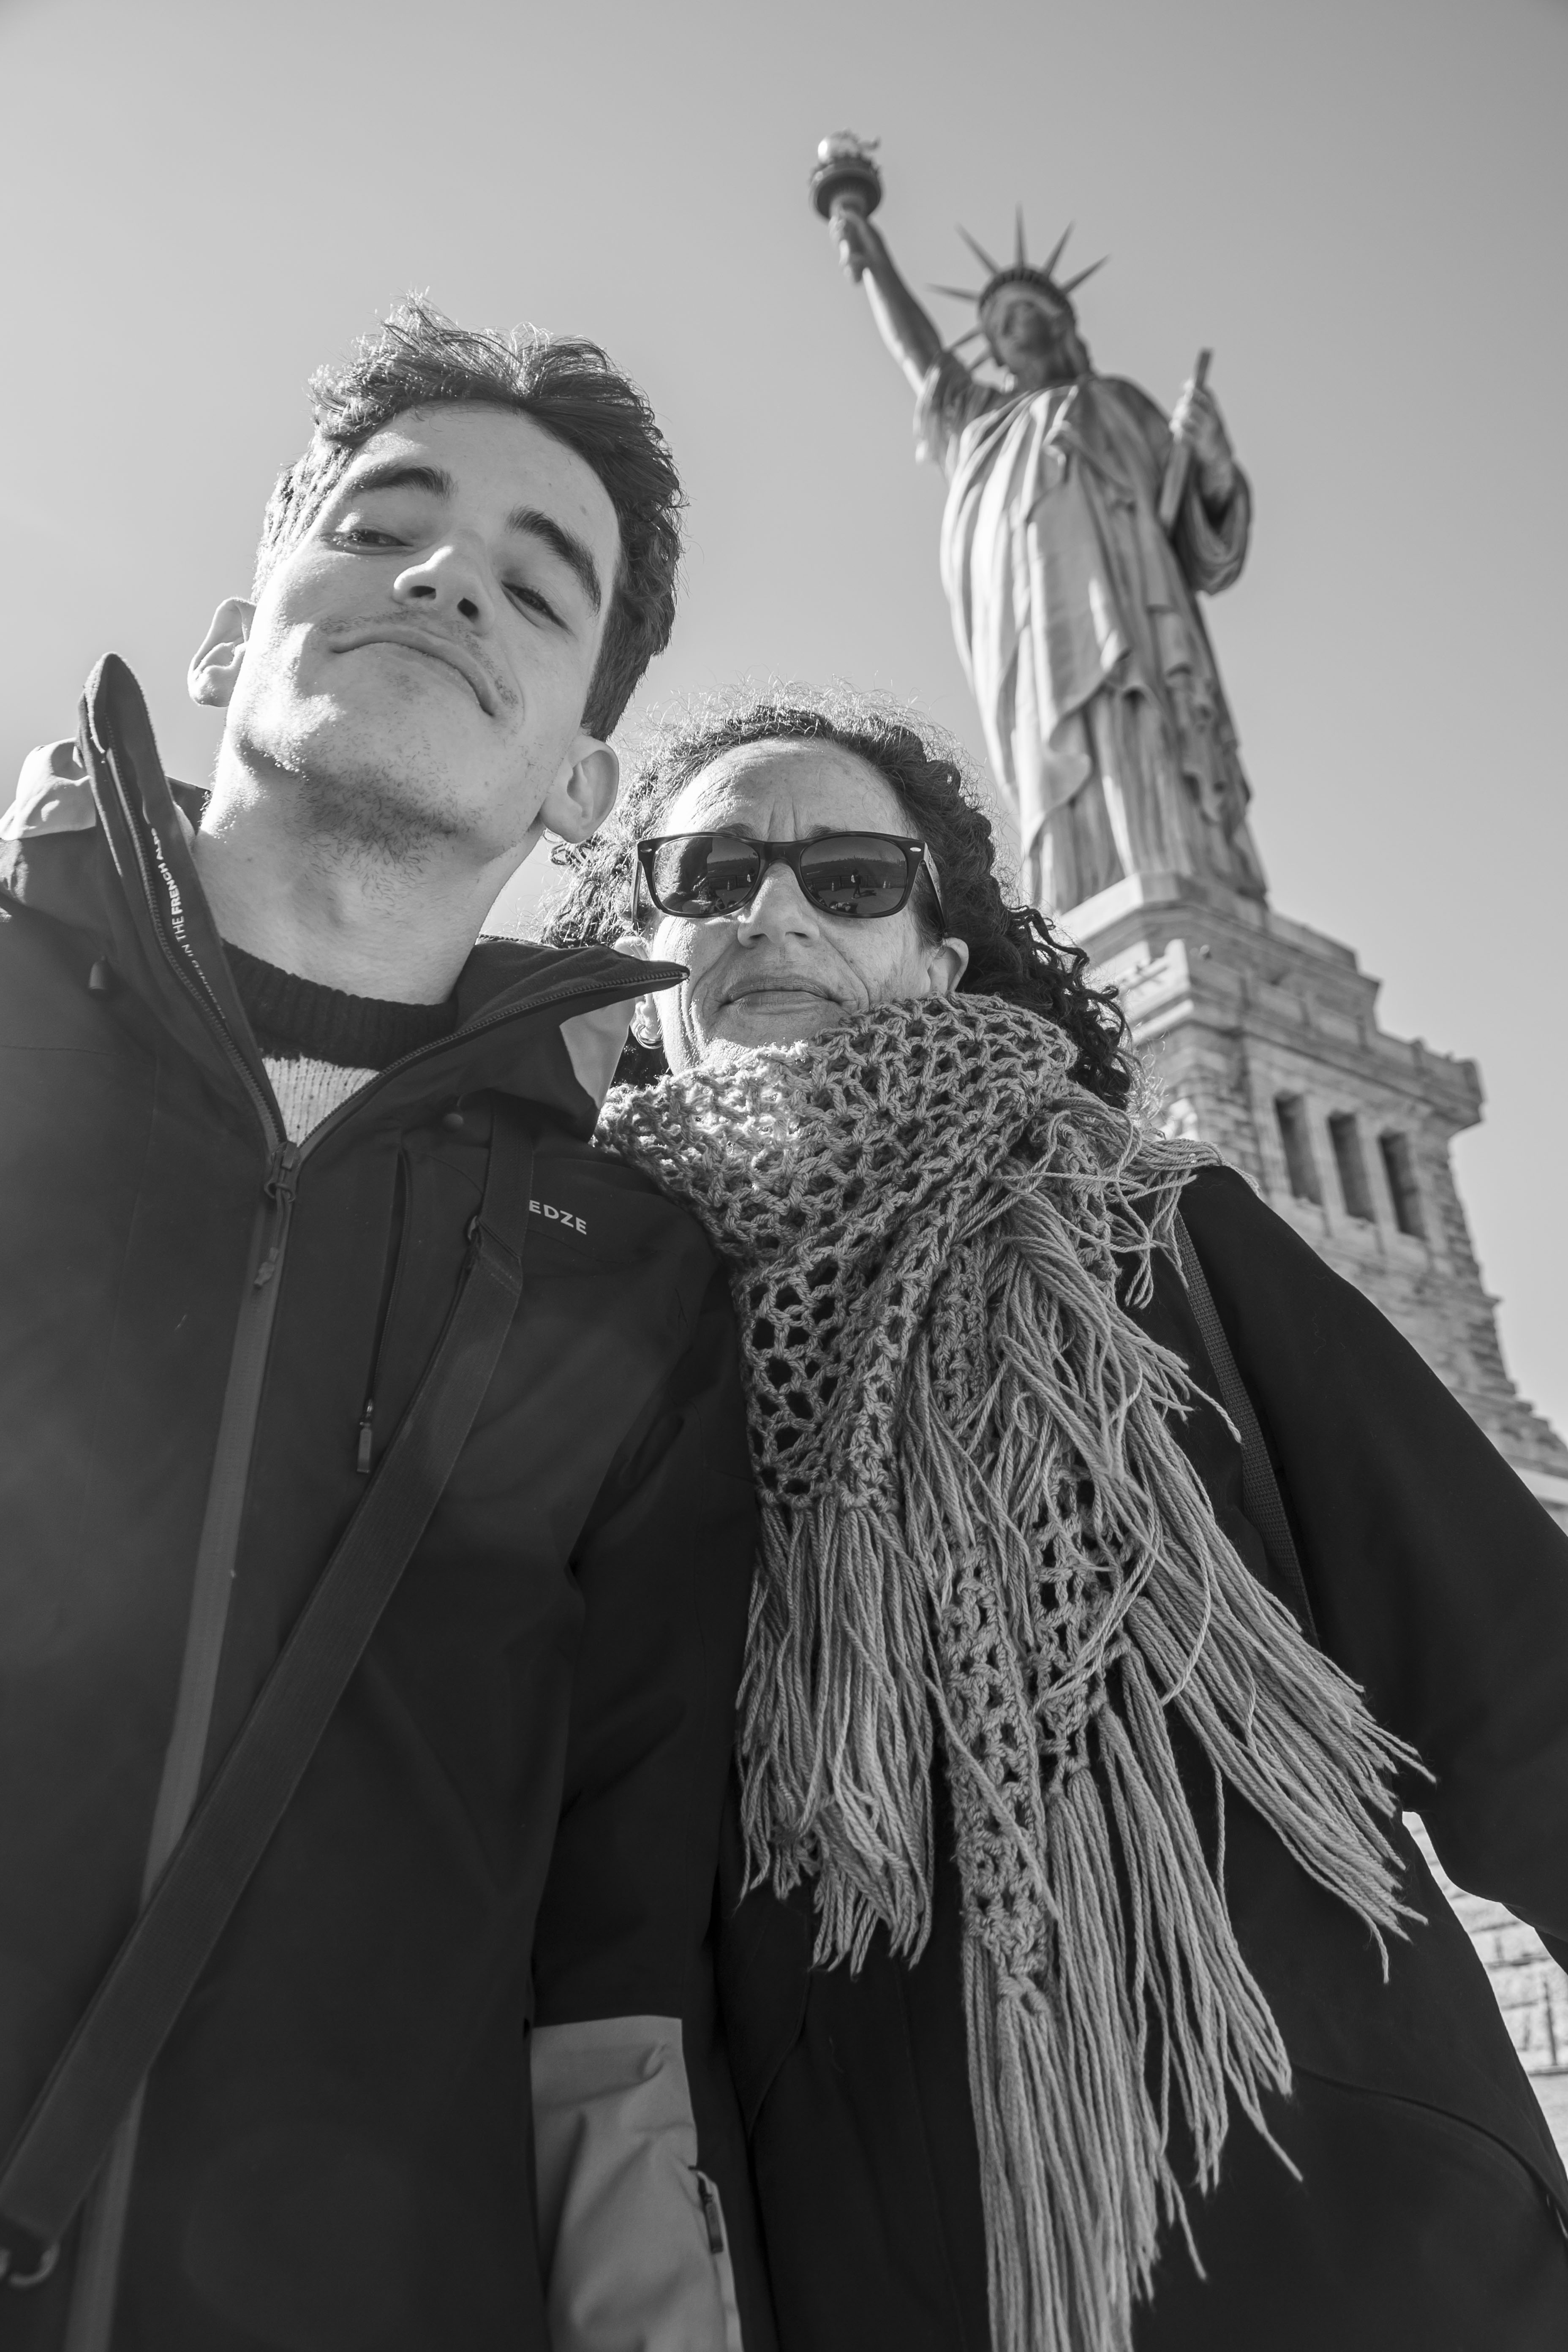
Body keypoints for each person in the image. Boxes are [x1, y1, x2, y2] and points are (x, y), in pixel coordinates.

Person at [545, 686, 1568, 2352]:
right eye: (710, 871)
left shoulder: (1156, 1244)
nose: (775, 911)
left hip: (1354, 2258)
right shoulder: (572, 1358)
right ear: (643, 973)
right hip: (866, 2287)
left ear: (938, 957)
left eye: (852, 876)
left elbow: (1527, 1694)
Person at [0, 300, 766, 2352]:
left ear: (588, 770)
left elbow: (617, 1977)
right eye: (387, 523)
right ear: (230, 624)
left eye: (540, 581)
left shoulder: (629, 1268)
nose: (449, 579)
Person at [827, 205, 1268, 914]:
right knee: (1054, 761)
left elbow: (1206, 549)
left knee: (1149, 729)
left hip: (1143, 627)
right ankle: (1086, 903)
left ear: (1064, 322)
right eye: (998, 323)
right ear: (993, 352)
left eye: (1025, 310)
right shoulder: (980, 423)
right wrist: (873, 258)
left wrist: (1214, 467)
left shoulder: (1124, 406)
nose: (1012, 327)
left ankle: (1190, 882)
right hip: (1035, 644)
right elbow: (921, 355)